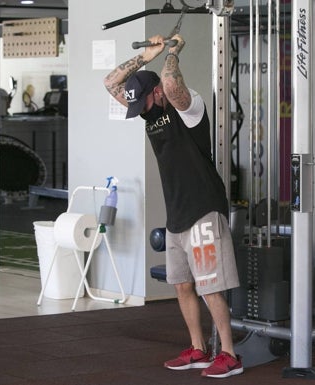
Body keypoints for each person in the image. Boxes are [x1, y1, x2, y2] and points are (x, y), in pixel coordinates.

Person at [103, 34, 243, 379]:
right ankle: (198, 348)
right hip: (177, 215)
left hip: (204, 209)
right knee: (182, 285)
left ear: (158, 93)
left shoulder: (189, 108)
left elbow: (169, 80)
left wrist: (173, 50)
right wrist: (145, 56)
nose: (142, 113)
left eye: (146, 104)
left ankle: (229, 354)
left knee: (211, 286)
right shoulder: (149, 115)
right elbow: (110, 83)